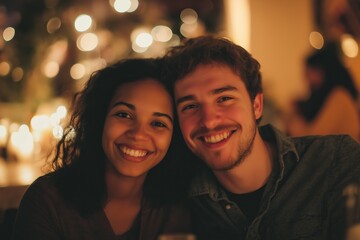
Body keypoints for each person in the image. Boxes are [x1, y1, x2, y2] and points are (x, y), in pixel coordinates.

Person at [162, 35, 360, 240]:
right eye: (190, 106)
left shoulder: (336, 161)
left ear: (256, 105)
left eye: (224, 98)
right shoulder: (178, 200)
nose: (209, 121)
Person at [11, 58, 192, 240]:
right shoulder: (48, 202)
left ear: (174, 136)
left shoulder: (180, 208)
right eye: (124, 114)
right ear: (100, 119)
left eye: (158, 123)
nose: (138, 134)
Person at [285, 43, 360, 142]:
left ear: (323, 72)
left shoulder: (340, 97)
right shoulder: (333, 96)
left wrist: (293, 119)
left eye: (309, 73)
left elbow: (312, 138)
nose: (306, 79)